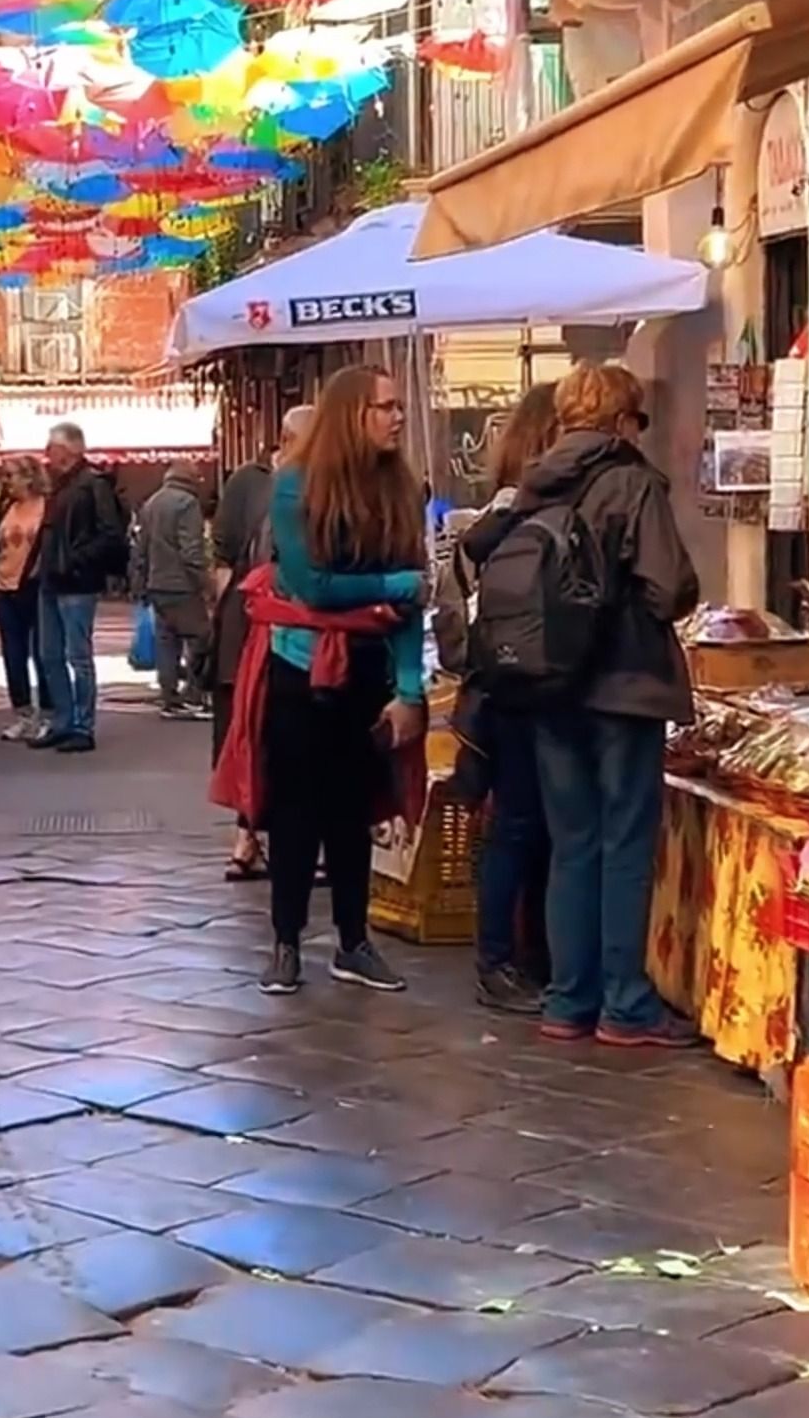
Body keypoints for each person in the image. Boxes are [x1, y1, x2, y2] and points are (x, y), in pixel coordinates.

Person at [465, 362, 701, 1048]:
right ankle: (625, 1004)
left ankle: (569, 999)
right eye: (638, 418)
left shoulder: (533, 485)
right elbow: (668, 588)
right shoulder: (628, 480)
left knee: (572, 844)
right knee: (624, 843)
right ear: (623, 419)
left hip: (546, 687)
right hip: (623, 685)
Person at [225, 365, 426, 995]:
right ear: (351, 414)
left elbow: (409, 603)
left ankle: (352, 941)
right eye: (385, 407)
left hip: (366, 670)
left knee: (353, 809)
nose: (397, 417)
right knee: (295, 812)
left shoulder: (399, 486)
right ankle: (285, 942)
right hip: (298, 665)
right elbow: (314, 586)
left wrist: (411, 689)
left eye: (396, 406)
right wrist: (389, 589)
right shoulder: (294, 488)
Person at [456, 381, 569, 1015]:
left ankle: (518, 955)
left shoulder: (497, 512)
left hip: (500, 687)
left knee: (522, 826)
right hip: (527, 690)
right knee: (523, 825)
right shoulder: (528, 517)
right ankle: (500, 960)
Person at [210, 404, 311, 879]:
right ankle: (247, 836)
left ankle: (301, 841)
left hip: (299, 627)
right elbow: (224, 555)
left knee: (286, 735)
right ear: (287, 441)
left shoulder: (325, 484)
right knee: (245, 730)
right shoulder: (249, 482)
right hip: (251, 622)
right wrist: (229, 616)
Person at [28, 423, 129, 752]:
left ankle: (82, 726)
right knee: (49, 655)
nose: (46, 454)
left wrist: (75, 560)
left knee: (77, 655)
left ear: (69, 450)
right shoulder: (60, 487)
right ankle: (63, 720)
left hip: (76, 582)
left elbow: (111, 533)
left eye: (51, 447)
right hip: (52, 580)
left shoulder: (92, 485)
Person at [131, 469, 213, 717]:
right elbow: (191, 550)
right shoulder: (187, 503)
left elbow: (140, 550)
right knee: (202, 637)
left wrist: (141, 584)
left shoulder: (151, 502)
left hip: (157, 582)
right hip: (182, 583)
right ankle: (194, 694)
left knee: (167, 641)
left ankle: (169, 696)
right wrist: (205, 582)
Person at [0, 462, 50, 740]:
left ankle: (48, 713)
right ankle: (23, 713)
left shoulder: (46, 507)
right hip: (5, 586)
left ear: (29, 477)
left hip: (34, 586)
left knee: (42, 652)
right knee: (13, 653)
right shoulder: (3, 507)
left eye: (10, 476)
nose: (6, 481)